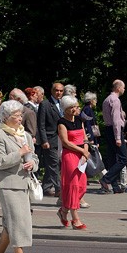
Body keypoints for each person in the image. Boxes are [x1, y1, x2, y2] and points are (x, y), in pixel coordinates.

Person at [0, 100, 39, 253]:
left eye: (20, 115)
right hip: (7, 184)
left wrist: (32, 163)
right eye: (16, 115)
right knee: (17, 220)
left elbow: (34, 157)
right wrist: (19, 153)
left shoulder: (24, 135)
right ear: (6, 117)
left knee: (9, 222)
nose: (20, 118)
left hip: (23, 182)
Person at [57, 94, 90, 229]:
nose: (75, 109)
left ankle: (63, 211)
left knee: (82, 184)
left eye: (76, 107)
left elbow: (84, 137)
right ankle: (75, 219)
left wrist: (86, 151)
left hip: (81, 155)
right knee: (73, 186)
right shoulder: (61, 122)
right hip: (70, 155)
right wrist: (81, 150)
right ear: (65, 109)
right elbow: (65, 141)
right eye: (72, 107)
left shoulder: (79, 120)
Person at [36, 82, 65, 197]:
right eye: (57, 90)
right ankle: (59, 189)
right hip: (50, 139)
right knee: (54, 164)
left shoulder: (63, 104)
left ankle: (46, 187)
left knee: (54, 163)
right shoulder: (45, 104)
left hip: (61, 139)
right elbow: (41, 124)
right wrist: (44, 140)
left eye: (61, 91)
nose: (59, 93)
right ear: (52, 91)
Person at [100, 80, 127, 193]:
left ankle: (115, 186)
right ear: (118, 88)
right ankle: (106, 179)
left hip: (108, 129)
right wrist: (118, 137)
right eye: (123, 88)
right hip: (115, 130)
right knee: (123, 158)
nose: (124, 90)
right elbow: (116, 120)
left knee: (112, 158)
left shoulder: (107, 99)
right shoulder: (115, 100)